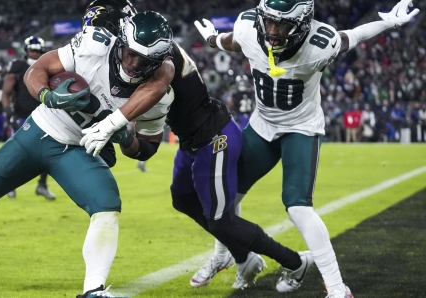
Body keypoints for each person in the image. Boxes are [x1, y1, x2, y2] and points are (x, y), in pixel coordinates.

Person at [0, 10, 175, 298]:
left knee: (106, 205)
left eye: (144, 60)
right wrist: (46, 95)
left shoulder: (159, 94)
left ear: (158, 62)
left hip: (77, 150)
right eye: (129, 53)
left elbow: (147, 148)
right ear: (121, 42)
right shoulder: (94, 45)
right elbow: (36, 70)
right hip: (39, 131)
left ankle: (93, 289)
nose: (133, 63)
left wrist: (126, 139)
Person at [84, 0, 313, 292]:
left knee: (220, 221)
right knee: (182, 198)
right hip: (191, 139)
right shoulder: (144, 49)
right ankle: (244, 258)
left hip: (214, 136)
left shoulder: (155, 53)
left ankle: (294, 261)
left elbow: (156, 82)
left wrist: (110, 123)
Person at [194, 0, 419, 296]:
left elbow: (353, 35)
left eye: (282, 24)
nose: (272, 31)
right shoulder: (250, 29)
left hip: (301, 127)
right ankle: (223, 257)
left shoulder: (318, 45)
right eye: (269, 22)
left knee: (298, 207)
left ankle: (338, 288)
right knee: (225, 198)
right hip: (263, 125)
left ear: (302, 25)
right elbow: (235, 41)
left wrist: (389, 23)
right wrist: (212, 39)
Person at [0, 36, 56, 200]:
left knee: (46, 152)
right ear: (26, 50)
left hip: (44, 116)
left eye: (37, 51)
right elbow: (6, 92)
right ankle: (9, 185)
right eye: (32, 50)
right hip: (21, 116)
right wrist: (7, 111)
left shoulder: (48, 66)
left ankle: (42, 185)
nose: (34, 53)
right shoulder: (18, 66)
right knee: (17, 153)